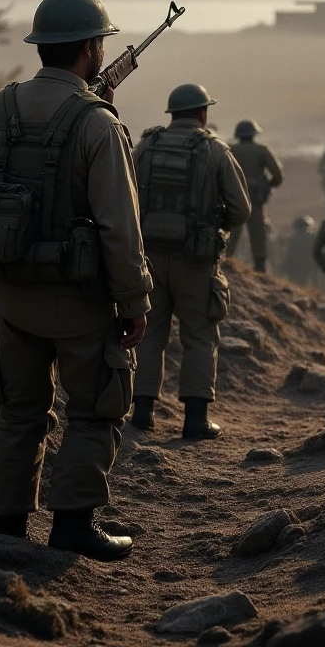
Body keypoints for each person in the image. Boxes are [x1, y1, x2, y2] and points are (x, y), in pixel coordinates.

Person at [0, 0, 153, 561]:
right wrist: (134, 298)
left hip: (10, 295)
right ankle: (73, 526)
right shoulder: (97, 125)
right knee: (95, 408)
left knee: (19, 412)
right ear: (88, 48)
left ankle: (8, 532)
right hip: (79, 301)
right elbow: (119, 224)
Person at [131, 84, 250, 440]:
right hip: (196, 261)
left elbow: (127, 194)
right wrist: (213, 229)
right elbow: (241, 209)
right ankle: (195, 420)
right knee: (199, 336)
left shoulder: (147, 145)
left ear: (172, 114)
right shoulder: (215, 150)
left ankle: (142, 413)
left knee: (149, 333)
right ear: (203, 114)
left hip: (148, 257)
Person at [226, 119, 283, 272]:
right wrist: (268, 186)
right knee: (258, 231)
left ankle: (226, 260)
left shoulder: (229, 150)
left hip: (234, 197)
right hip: (256, 199)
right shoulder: (262, 150)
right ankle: (260, 266)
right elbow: (277, 175)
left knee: (232, 230)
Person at [281, 215, 318, 287]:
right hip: (307, 265)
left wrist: (284, 267)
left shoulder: (292, 238)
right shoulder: (312, 237)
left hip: (295, 266)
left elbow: (288, 254)